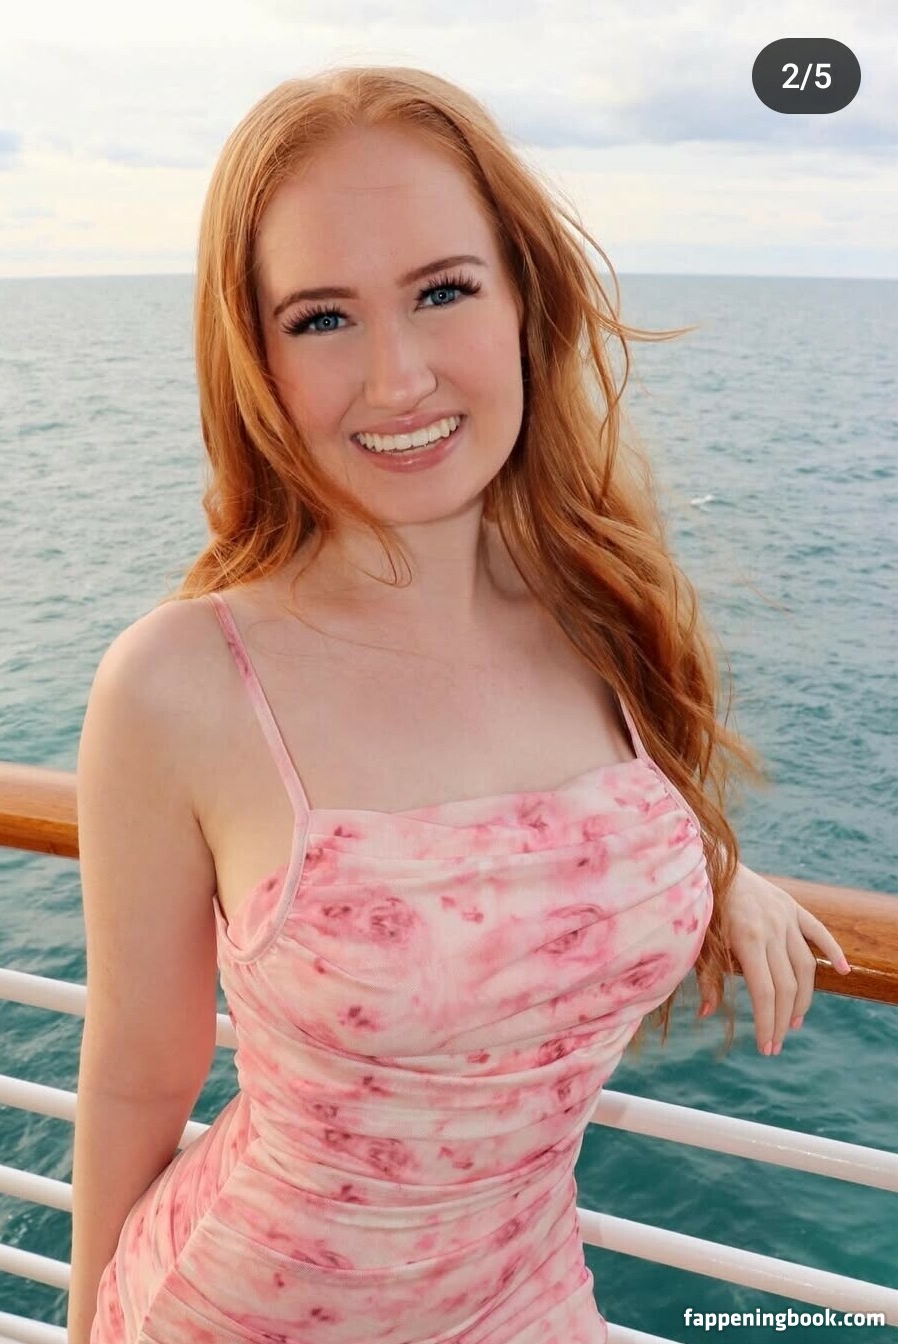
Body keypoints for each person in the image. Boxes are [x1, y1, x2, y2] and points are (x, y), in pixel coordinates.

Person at [67, 65, 850, 1344]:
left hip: (527, 1297)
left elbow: (547, 830)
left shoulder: (601, 614)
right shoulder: (182, 684)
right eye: (322, 317)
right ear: (254, 357)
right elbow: (137, 1084)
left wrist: (714, 870)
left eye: (441, 291)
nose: (397, 378)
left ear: (522, 297)